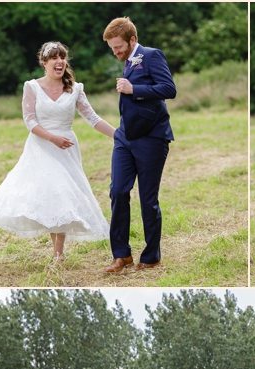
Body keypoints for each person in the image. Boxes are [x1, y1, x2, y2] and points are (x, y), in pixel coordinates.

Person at [0, 41, 114, 262]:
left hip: (67, 148)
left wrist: (117, 135)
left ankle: (57, 254)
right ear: (44, 62)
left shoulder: (75, 88)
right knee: (53, 193)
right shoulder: (31, 87)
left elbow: (93, 118)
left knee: (61, 194)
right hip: (42, 146)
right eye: (54, 58)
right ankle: (58, 254)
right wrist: (52, 138)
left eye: (62, 57)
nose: (59, 61)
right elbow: (30, 121)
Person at [102, 17, 177, 273]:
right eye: (112, 48)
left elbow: (169, 89)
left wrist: (134, 88)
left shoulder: (152, 55)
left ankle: (151, 255)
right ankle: (121, 255)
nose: (116, 52)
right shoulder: (127, 62)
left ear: (132, 40)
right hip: (125, 137)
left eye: (118, 47)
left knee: (147, 199)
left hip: (152, 138)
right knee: (118, 191)